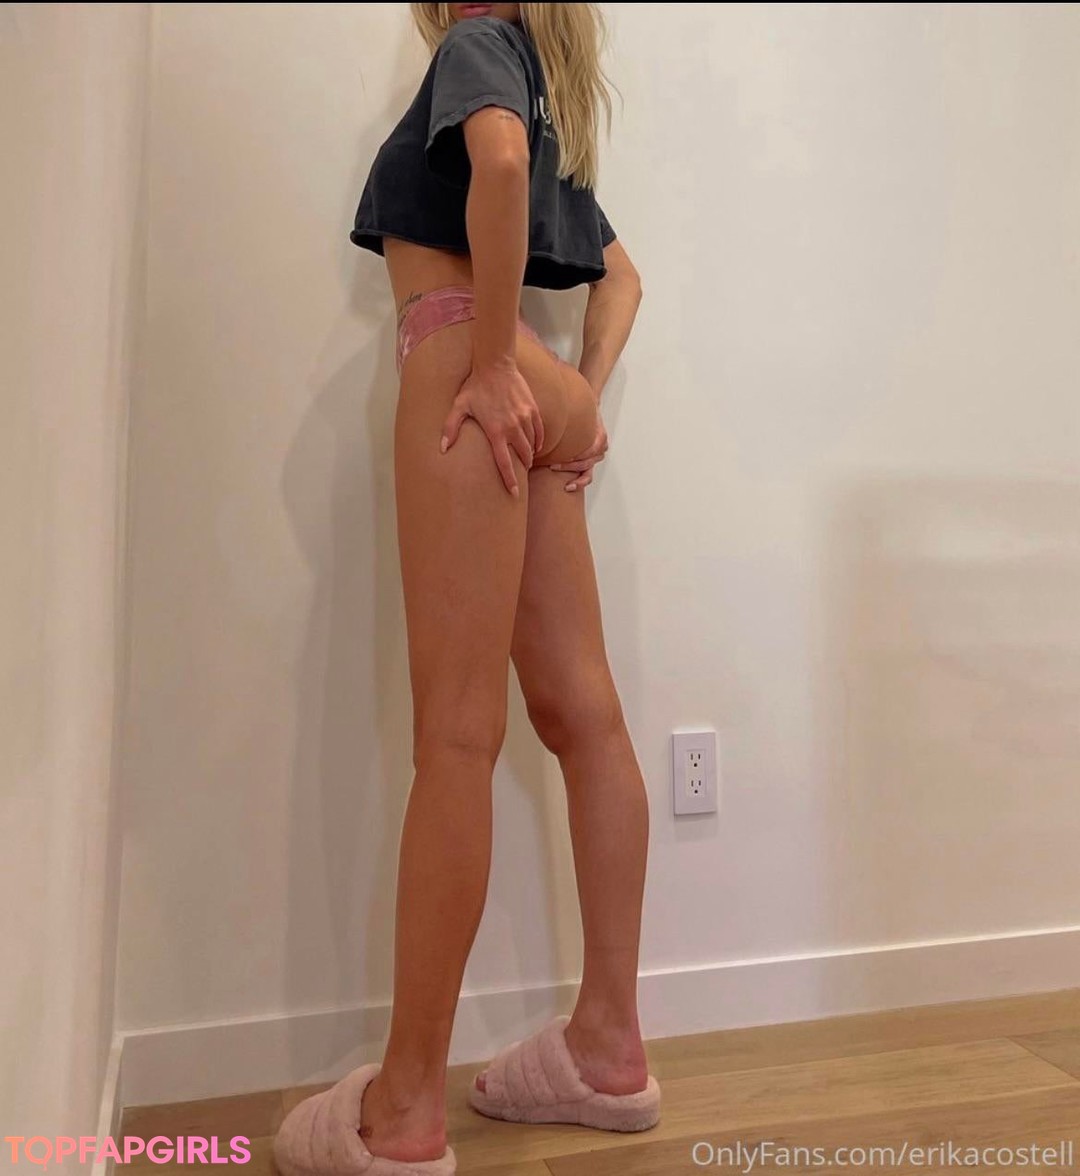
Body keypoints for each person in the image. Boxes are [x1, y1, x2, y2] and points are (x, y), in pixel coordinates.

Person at [274, 5, 655, 1173]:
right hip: (538, 387)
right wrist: (576, 399)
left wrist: (490, 363)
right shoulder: (549, 87)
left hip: (464, 356)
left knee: (454, 737)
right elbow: (624, 281)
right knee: (585, 718)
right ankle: (608, 1048)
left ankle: (402, 1112)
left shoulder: (479, 45)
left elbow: (494, 167)